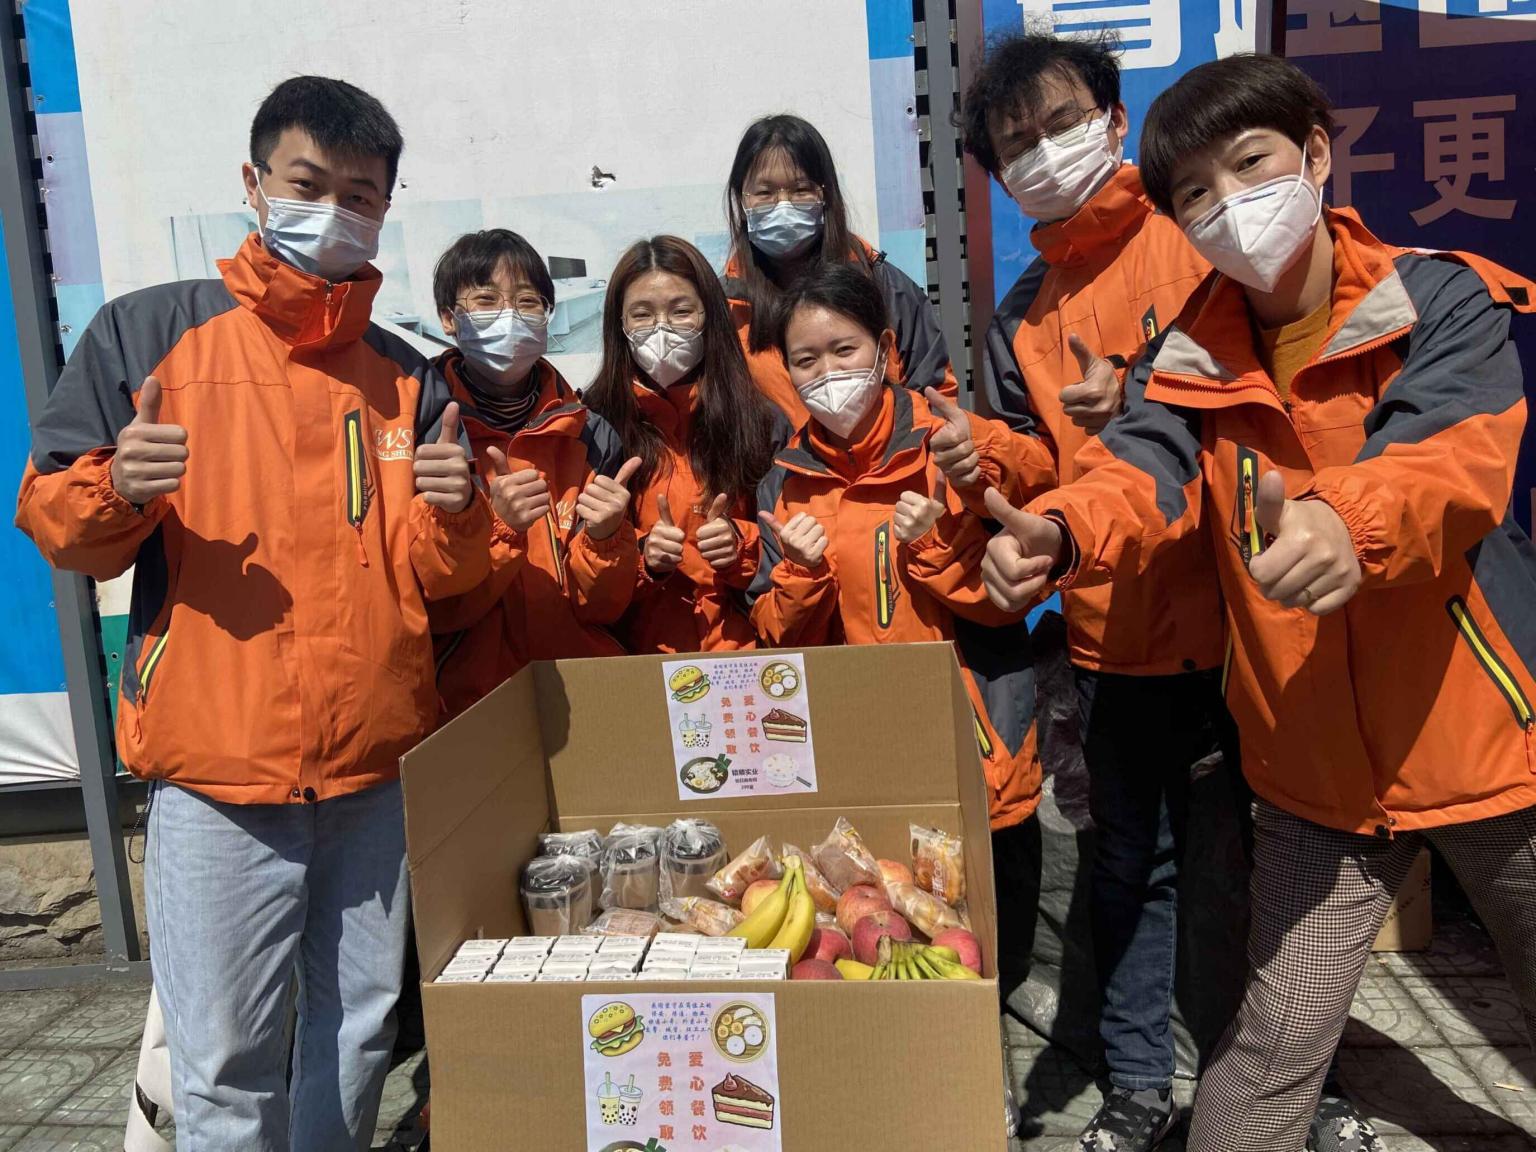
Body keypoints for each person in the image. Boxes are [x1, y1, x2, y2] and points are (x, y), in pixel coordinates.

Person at [980, 53, 1536, 1152]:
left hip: (1487, 752)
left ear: (1316, 154)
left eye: (1252, 165)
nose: (1229, 206)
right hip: (1310, 774)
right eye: (1195, 191)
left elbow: (1450, 457)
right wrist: (1060, 534)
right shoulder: (1193, 350)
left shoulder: (1437, 297)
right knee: (1269, 1049)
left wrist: (1344, 523)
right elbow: (1143, 468)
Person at [16, 76, 491, 1151]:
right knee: (223, 1060)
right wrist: (120, 487)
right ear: (253, 184)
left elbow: (442, 575)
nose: (334, 211)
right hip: (218, 775)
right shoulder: (153, 334)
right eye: (307, 184)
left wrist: (459, 521)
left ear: (384, 209)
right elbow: (55, 519)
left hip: (376, 774)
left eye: (360, 194)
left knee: (357, 1036)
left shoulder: (408, 376)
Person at [960, 32, 1251, 1152]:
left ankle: (1272, 1085)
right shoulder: (1023, 308)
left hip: (1234, 632)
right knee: (1128, 872)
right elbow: (1042, 464)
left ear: (1115, 118)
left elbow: (1238, 418)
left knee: (1246, 880)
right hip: (1110, 634)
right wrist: (984, 450)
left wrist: (1124, 396)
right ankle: (1138, 1086)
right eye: (1016, 141)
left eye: (1060, 122)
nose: (1042, 151)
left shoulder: (1196, 245)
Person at [748, 261, 1042, 978]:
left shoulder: (948, 446)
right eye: (806, 361)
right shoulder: (781, 482)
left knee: (987, 952)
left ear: (884, 347)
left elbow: (1010, 600)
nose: (828, 374)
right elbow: (774, 636)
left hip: (967, 735)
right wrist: (800, 573)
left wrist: (940, 543)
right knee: (883, 939)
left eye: (844, 350)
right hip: (860, 748)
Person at [427, 229, 639, 717]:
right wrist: (496, 527)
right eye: (485, 300)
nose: (509, 316)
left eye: (527, 302)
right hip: (470, 707)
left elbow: (604, 609)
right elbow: (436, 602)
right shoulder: (425, 429)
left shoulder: (591, 432)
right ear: (448, 318)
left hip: (583, 695)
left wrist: (606, 540)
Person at [584, 235, 785, 654]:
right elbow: (584, 592)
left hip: (746, 659)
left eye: (681, 311)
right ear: (619, 326)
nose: (661, 328)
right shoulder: (593, 424)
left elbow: (793, 555)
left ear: (709, 315)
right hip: (640, 666)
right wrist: (640, 557)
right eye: (641, 314)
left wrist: (739, 547)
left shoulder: (760, 418)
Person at [721, 114, 958, 427]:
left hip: (891, 474)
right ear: (742, 200)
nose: (783, 204)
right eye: (765, 193)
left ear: (824, 194)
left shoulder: (885, 287)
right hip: (777, 477)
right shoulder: (723, 308)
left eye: (800, 189)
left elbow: (936, 397)